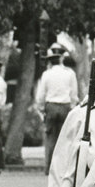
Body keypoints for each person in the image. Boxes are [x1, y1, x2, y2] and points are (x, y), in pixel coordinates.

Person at [34, 42, 79, 174]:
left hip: (51, 106)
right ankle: (63, 168)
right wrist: (71, 107)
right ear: (61, 58)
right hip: (65, 106)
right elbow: (74, 94)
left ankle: (49, 168)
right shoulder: (69, 73)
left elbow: (41, 95)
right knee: (65, 139)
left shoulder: (46, 74)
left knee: (50, 139)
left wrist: (41, 108)